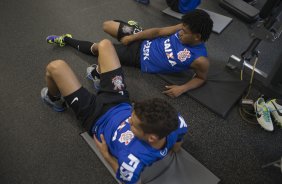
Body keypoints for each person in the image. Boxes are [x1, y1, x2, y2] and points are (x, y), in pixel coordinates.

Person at [41, 39, 188, 184]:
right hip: (119, 100)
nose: (129, 120)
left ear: (151, 138)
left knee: (55, 67)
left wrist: (106, 155)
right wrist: (173, 148)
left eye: (133, 124)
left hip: (94, 116)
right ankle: (97, 77)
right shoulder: (177, 123)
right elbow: (177, 145)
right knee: (105, 45)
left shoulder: (132, 159)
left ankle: (54, 99)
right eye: (132, 115)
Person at [46, 9, 213, 98]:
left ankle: (66, 40)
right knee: (108, 25)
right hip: (143, 40)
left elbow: (201, 78)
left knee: (100, 49)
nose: (181, 32)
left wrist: (182, 89)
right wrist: (134, 36)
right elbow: (159, 31)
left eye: (185, 32)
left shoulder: (200, 59)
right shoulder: (182, 27)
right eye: (181, 29)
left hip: (138, 57)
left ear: (197, 36)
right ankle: (135, 28)